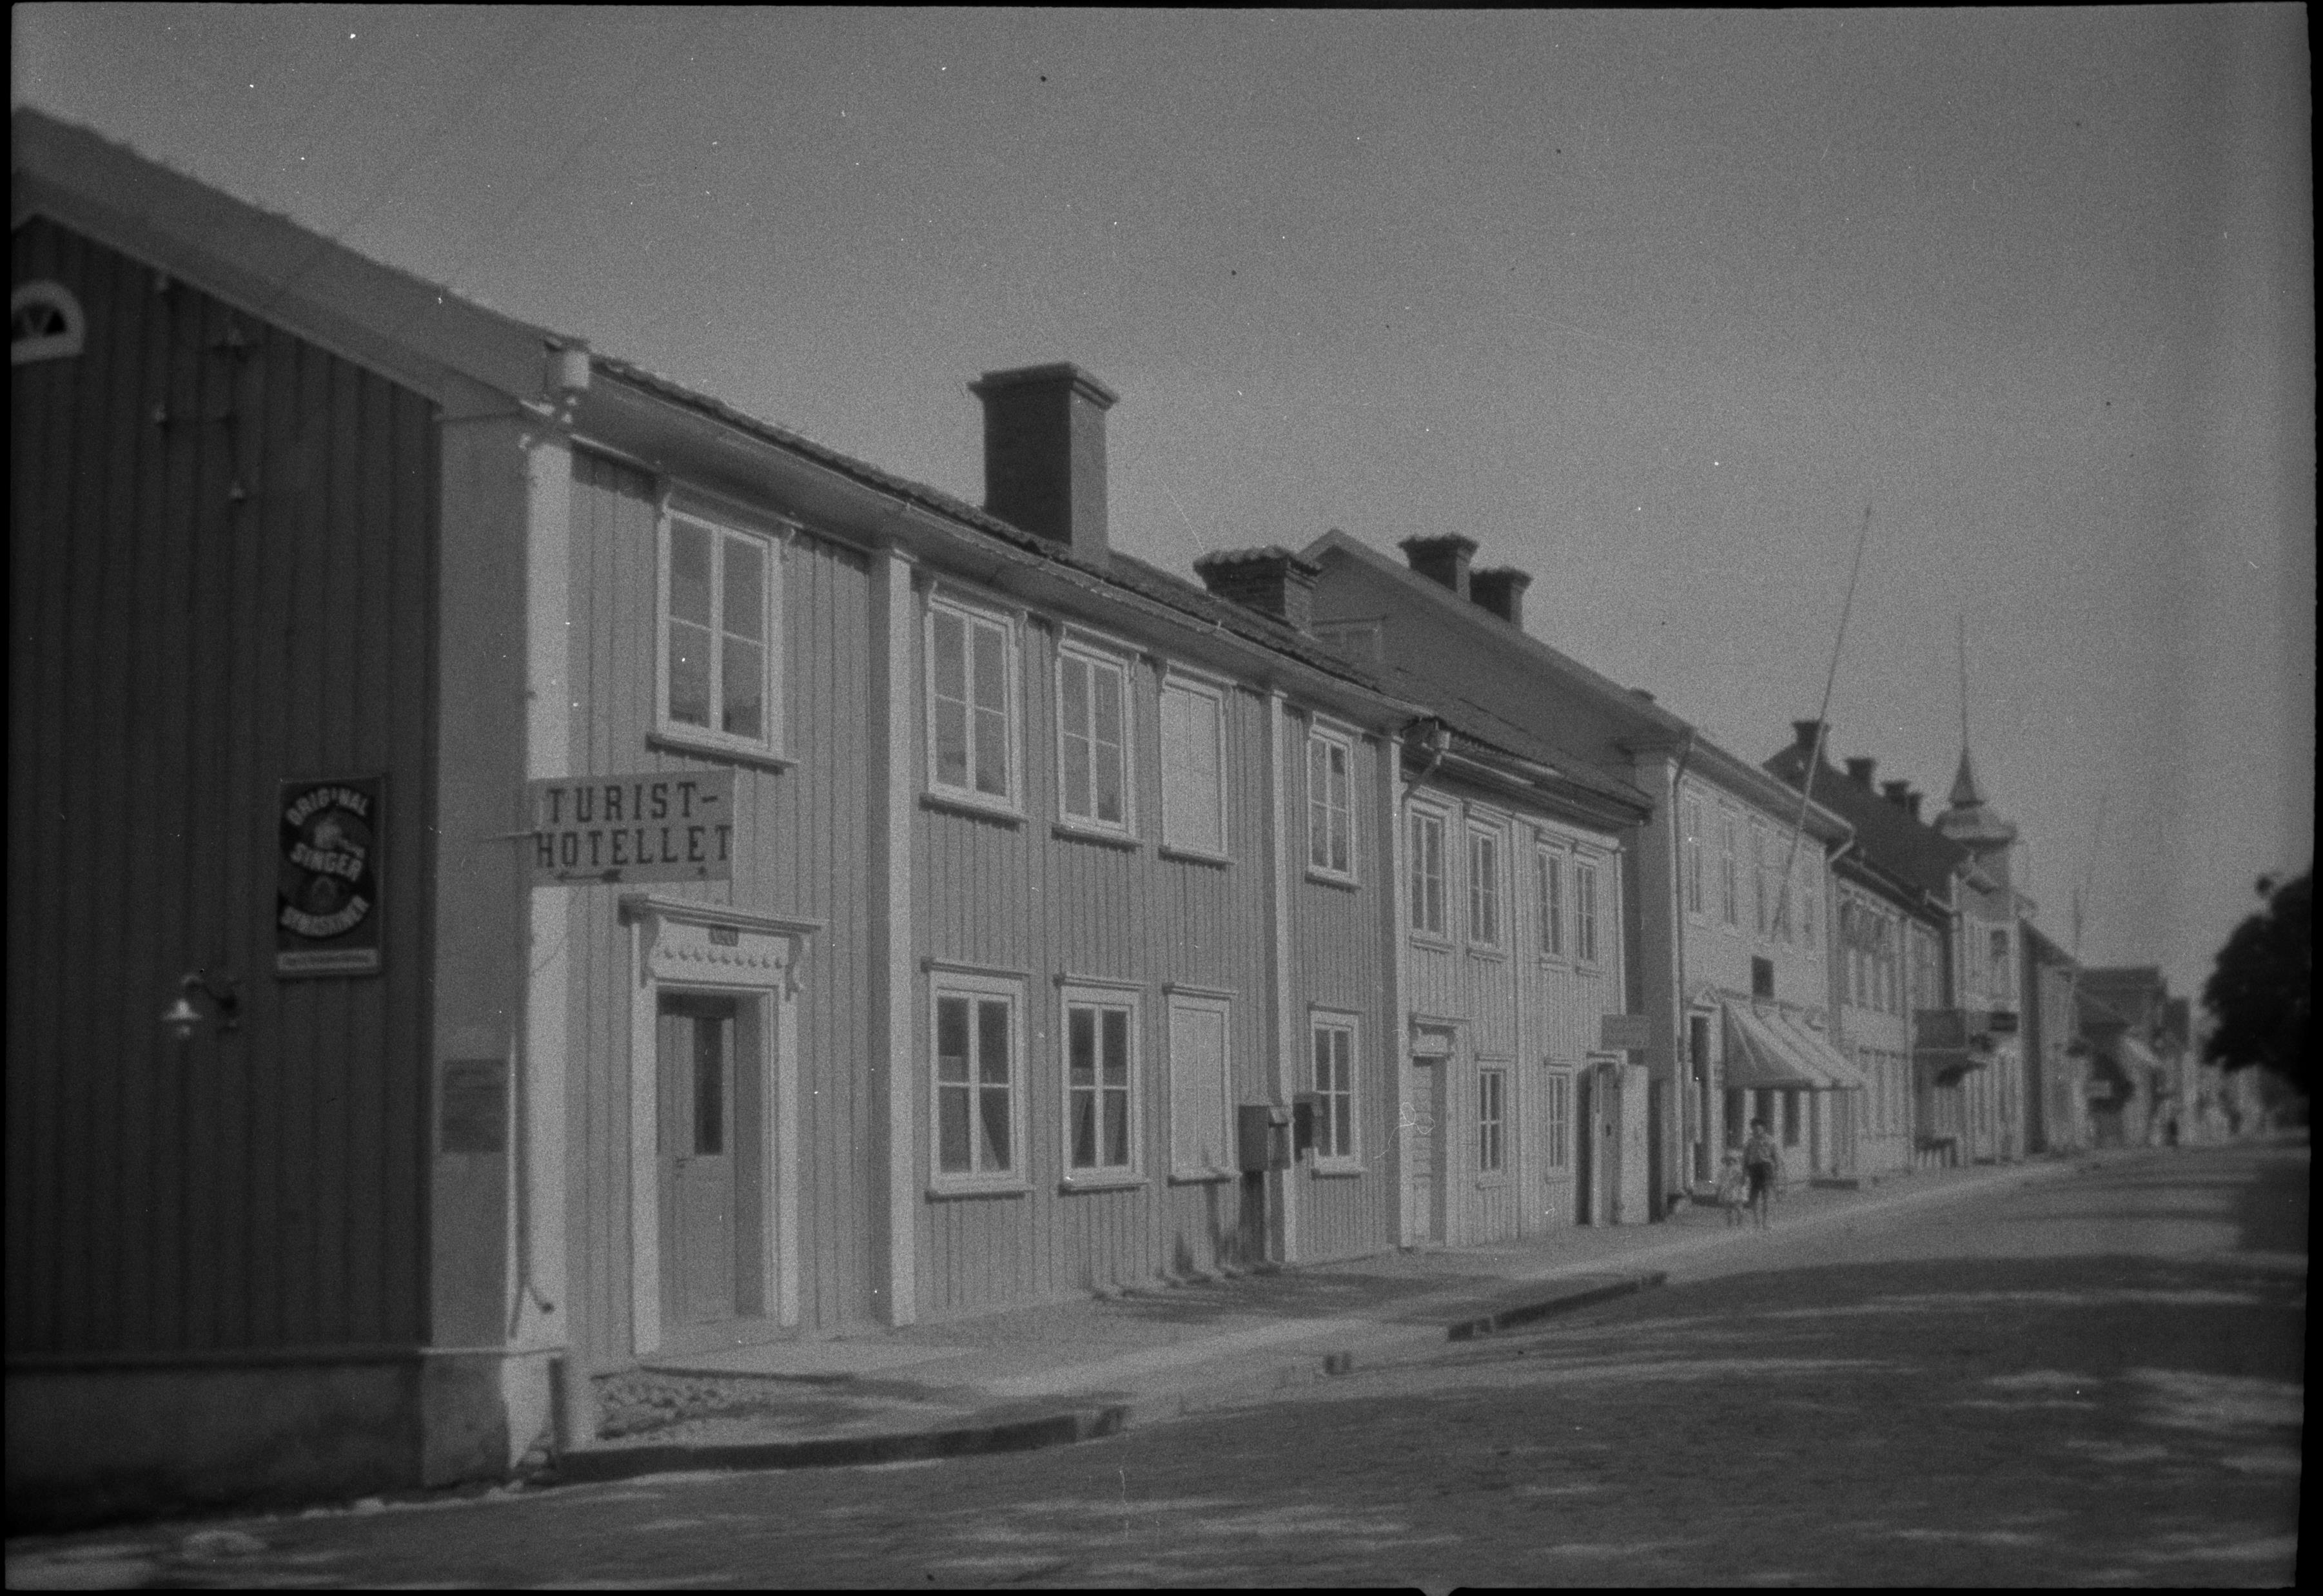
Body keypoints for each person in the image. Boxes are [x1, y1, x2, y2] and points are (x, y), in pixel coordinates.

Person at [1740, 1119, 1781, 1229]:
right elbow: (1745, 1159)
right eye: (1754, 1129)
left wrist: (1777, 1170)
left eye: (1758, 1128)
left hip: (1766, 1168)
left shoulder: (1770, 1141)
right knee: (1753, 1197)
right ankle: (1757, 1222)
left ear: (1763, 1128)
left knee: (1766, 1196)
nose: (1756, 1131)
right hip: (1754, 1169)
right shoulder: (1750, 1143)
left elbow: (1776, 1156)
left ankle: (1765, 1222)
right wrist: (1744, 1174)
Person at [1714, 1150, 1750, 1228]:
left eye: (1732, 1160)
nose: (1730, 1162)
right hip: (1727, 1190)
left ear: (1735, 1161)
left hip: (1737, 1190)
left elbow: (1744, 1179)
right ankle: (1730, 1222)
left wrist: (1741, 1185)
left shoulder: (1739, 1170)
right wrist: (1719, 1188)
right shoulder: (1723, 1171)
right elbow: (1720, 1180)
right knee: (1728, 1207)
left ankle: (1740, 1223)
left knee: (1738, 1207)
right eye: (1728, 1160)